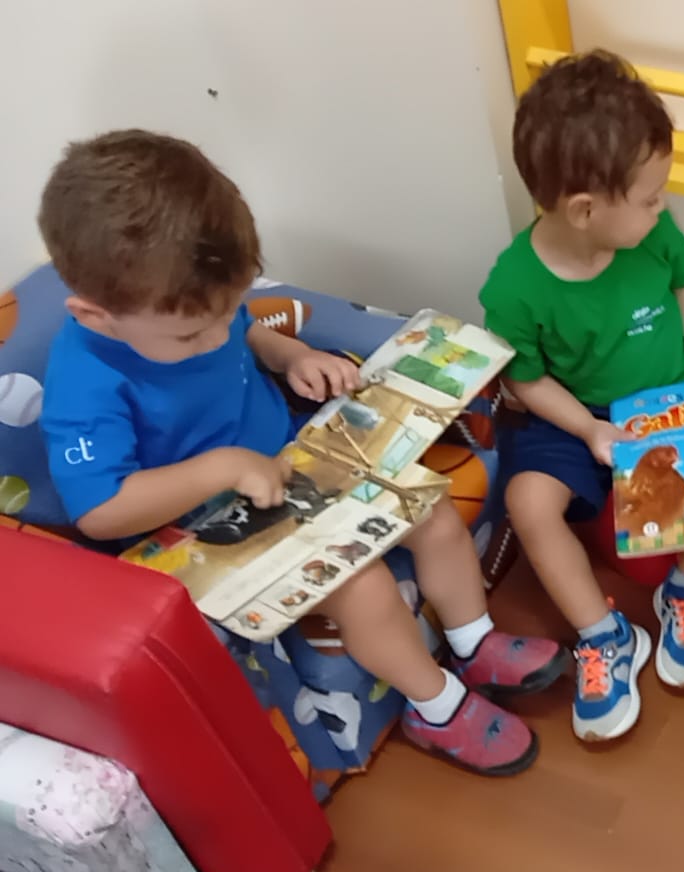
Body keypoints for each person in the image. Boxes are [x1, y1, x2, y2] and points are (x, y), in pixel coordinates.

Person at [37, 129, 566, 777]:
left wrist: (292, 355)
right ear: (95, 315)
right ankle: (437, 707)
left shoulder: (191, 303)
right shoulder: (85, 382)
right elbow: (100, 512)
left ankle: (473, 641)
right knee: (362, 585)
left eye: (225, 313)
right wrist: (223, 468)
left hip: (295, 463)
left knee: (429, 509)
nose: (215, 338)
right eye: (191, 335)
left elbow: (244, 332)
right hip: (205, 528)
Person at [480, 49, 684, 742]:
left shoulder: (653, 235)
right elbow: (524, 379)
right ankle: (603, 635)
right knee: (528, 503)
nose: (662, 208)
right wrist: (587, 429)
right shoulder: (513, 285)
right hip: (571, 414)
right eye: (650, 198)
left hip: (668, 396)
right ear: (585, 210)